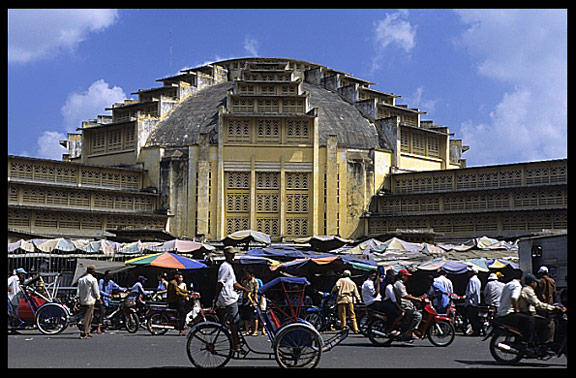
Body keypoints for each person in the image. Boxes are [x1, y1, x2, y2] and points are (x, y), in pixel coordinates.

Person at [213, 246, 250, 351]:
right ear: (226, 255)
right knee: (235, 321)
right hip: (228, 297)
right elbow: (220, 282)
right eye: (231, 254)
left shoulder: (229, 266)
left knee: (235, 319)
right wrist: (216, 297)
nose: (233, 256)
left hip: (232, 296)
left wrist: (245, 289)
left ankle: (236, 340)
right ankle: (236, 344)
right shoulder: (225, 267)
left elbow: (234, 283)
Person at [519, 273, 562, 344]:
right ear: (532, 283)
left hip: (534, 310)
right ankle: (547, 344)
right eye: (535, 282)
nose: (537, 284)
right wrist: (553, 308)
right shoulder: (528, 291)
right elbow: (537, 304)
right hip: (530, 314)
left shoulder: (527, 289)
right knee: (550, 323)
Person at [496, 269, 534, 343]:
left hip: (501, 311)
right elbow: (514, 298)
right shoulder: (517, 285)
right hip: (507, 313)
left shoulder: (507, 284)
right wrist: (516, 309)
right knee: (530, 320)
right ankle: (525, 341)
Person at [393, 268, 422, 339]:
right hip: (402, 305)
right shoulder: (398, 284)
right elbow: (404, 295)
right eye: (406, 276)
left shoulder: (401, 284)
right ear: (402, 276)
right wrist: (417, 299)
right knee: (418, 316)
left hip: (406, 304)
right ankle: (409, 332)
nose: (407, 278)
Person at [77, 265, 102, 339]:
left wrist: (77, 298)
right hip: (90, 300)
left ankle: (88, 331)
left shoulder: (81, 279)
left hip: (82, 300)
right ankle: (84, 332)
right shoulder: (93, 280)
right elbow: (96, 291)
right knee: (88, 317)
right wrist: (99, 298)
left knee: (86, 316)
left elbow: (78, 290)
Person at [167, 271, 191, 336]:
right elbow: (177, 292)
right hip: (173, 301)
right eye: (178, 275)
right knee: (183, 313)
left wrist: (188, 292)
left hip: (175, 301)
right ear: (175, 275)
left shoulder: (174, 282)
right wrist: (186, 295)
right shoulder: (173, 283)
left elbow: (180, 290)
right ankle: (181, 329)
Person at [381, 269, 404, 334]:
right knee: (401, 313)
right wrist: (400, 308)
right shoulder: (389, 287)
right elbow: (394, 300)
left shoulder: (386, 285)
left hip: (387, 303)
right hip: (388, 304)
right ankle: (392, 328)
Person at [240, 267, 260, 336]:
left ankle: (255, 330)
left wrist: (254, 301)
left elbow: (256, 292)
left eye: (247, 274)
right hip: (246, 299)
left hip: (252, 299)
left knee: (254, 316)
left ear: (251, 275)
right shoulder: (245, 282)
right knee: (246, 316)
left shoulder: (255, 282)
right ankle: (247, 330)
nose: (246, 276)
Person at [463, 267, 482, 336]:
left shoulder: (472, 280)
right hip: (475, 301)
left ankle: (476, 330)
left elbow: (471, 291)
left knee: (472, 317)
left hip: (471, 302)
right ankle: (477, 330)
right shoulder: (477, 280)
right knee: (475, 317)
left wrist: (465, 296)